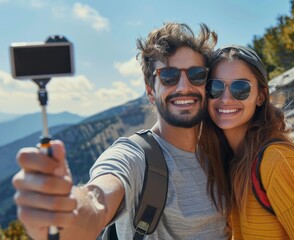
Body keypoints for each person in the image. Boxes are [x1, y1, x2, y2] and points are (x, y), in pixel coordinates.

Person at [12, 22, 231, 240]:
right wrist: (66, 210)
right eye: (168, 76)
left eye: (197, 75)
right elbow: (97, 201)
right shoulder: (135, 157)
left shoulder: (225, 151)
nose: (184, 86)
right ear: (150, 92)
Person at [198, 45, 294, 239]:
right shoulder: (231, 163)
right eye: (215, 87)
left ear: (260, 96)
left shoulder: (278, 162)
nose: (225, 98)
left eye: (240, 88)